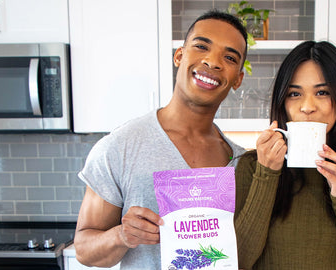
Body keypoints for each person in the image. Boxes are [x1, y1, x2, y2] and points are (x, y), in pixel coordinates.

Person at [74, 10, 248, 269]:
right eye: (201, 46)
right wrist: (121, 235)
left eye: (230, 57)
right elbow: (84, 250)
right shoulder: (121, 147)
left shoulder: (241, 163)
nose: (212, 62)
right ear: (179, 56)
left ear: (237, 80)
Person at [234, 41, 336, 269]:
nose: (307, 106)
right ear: (282, 102)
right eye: (294, 93)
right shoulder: (252, 166)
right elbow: (238, 262)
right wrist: (267, 174)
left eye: (322, 92)